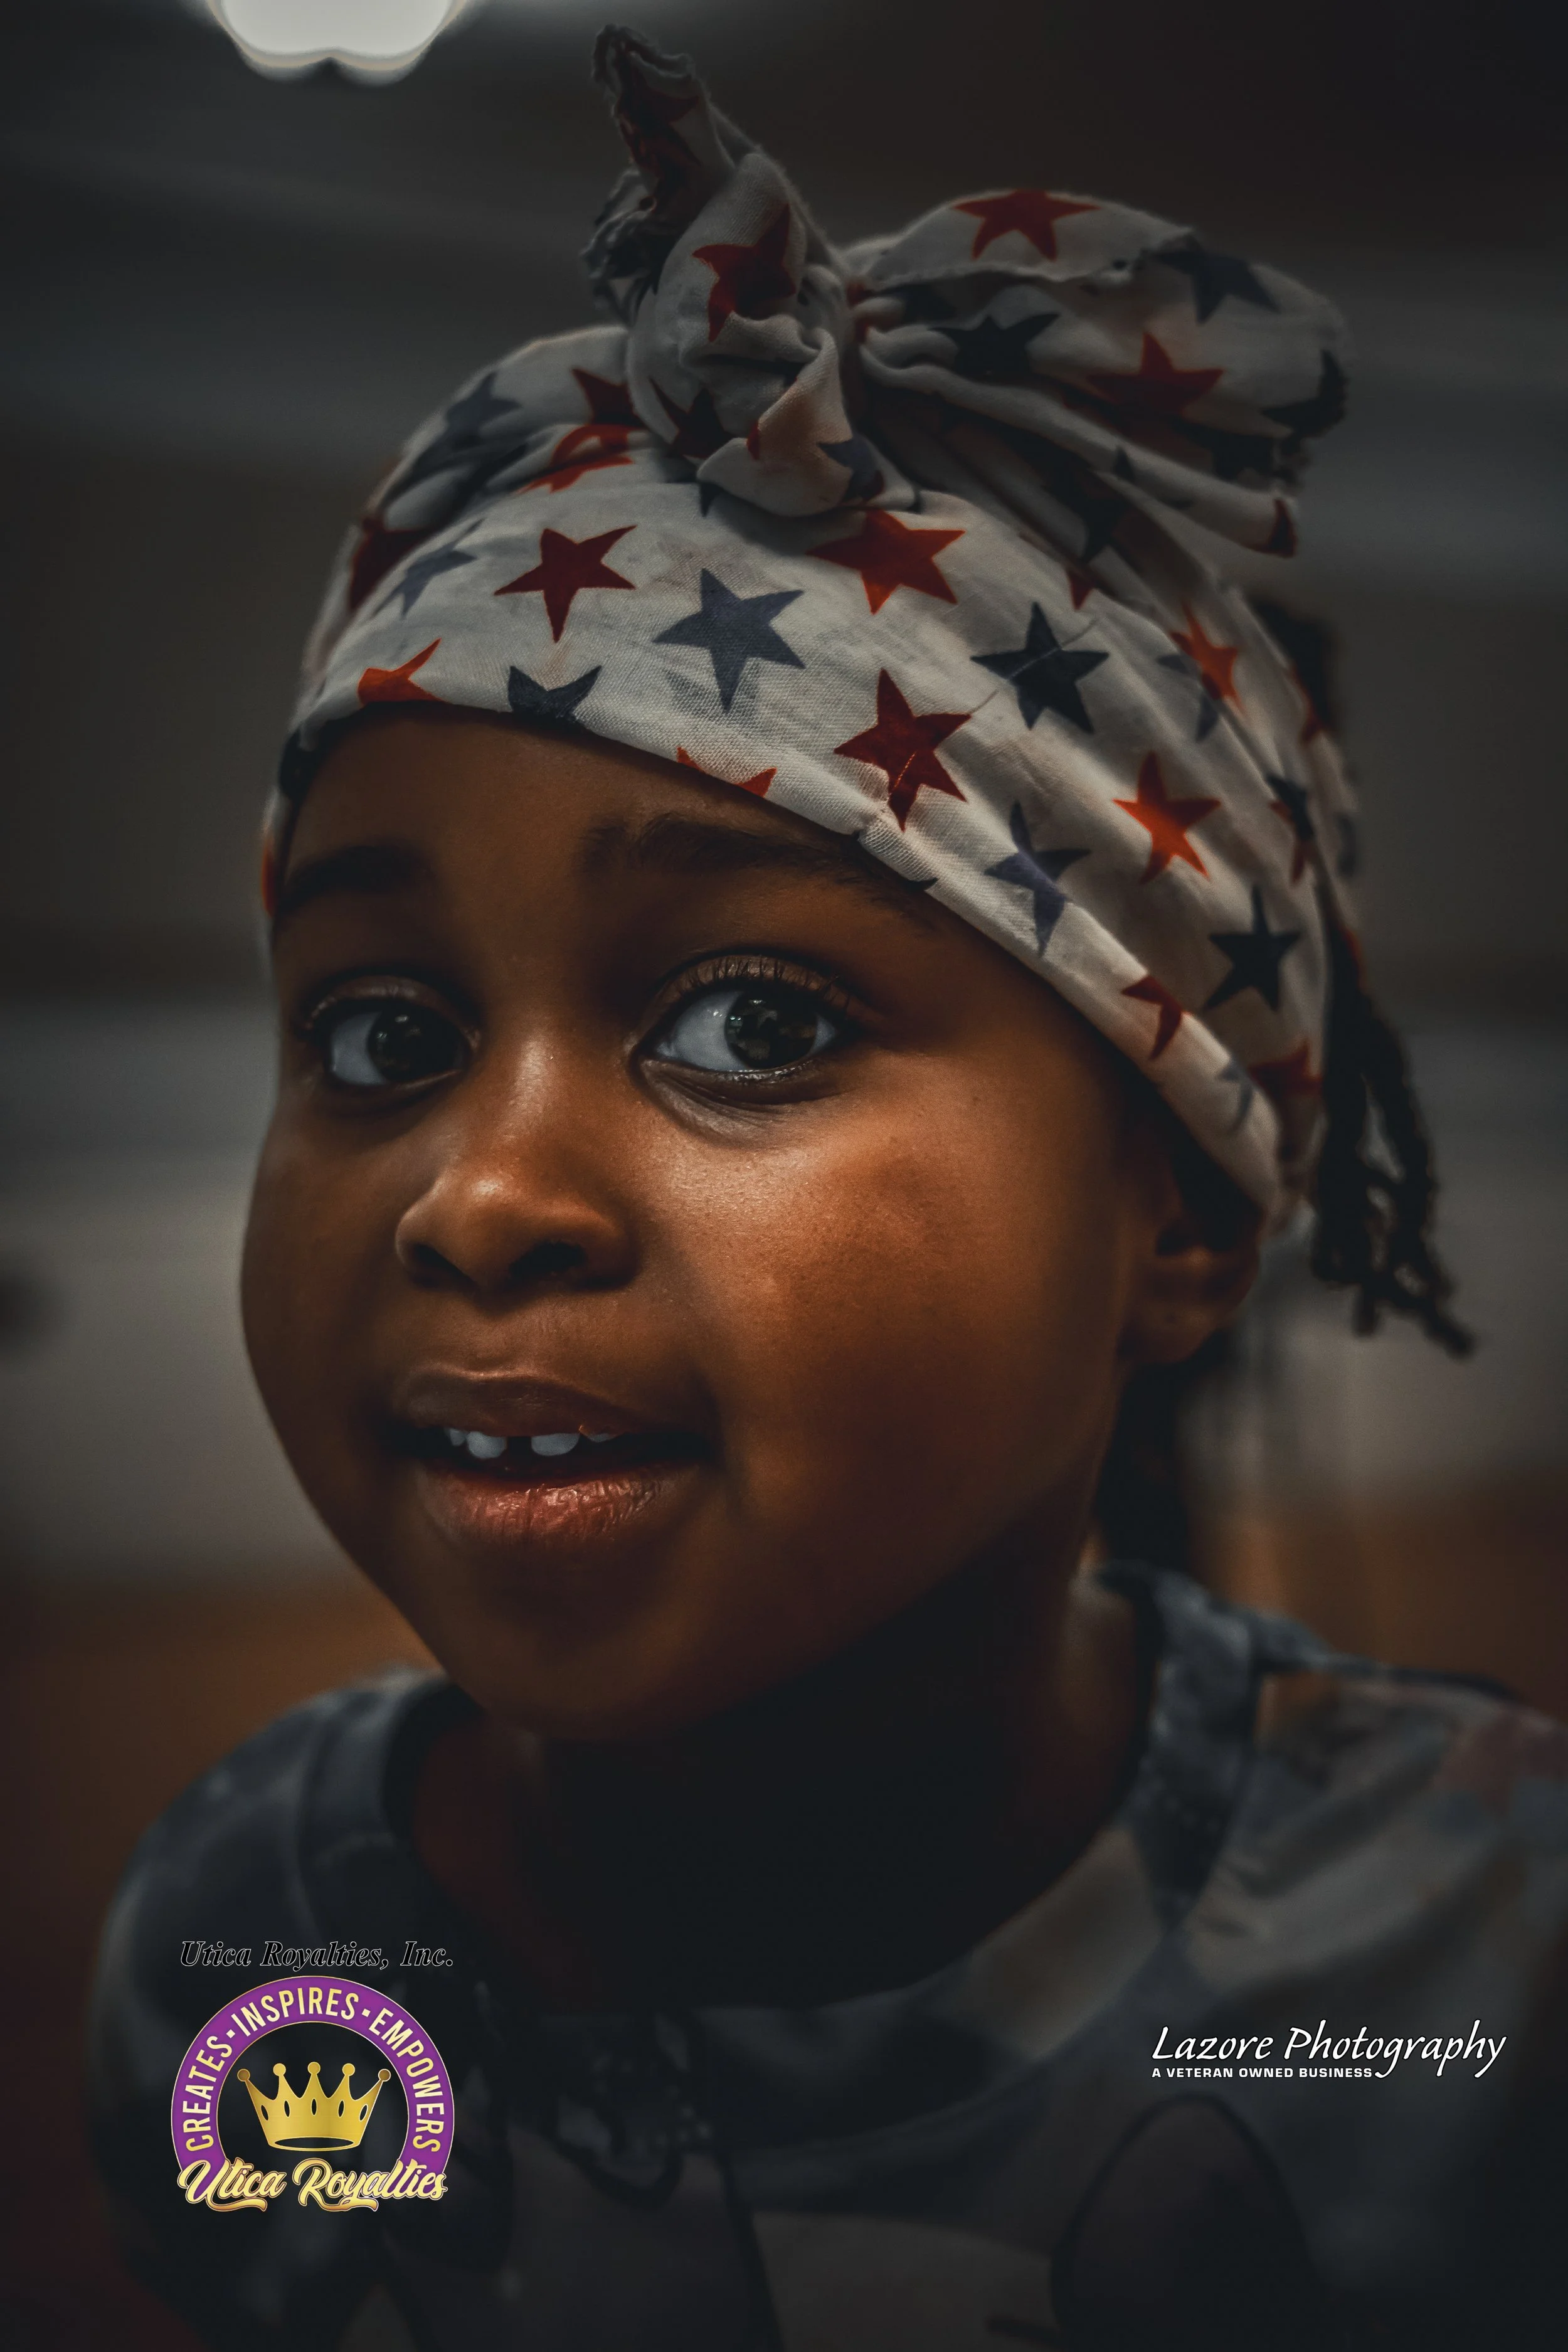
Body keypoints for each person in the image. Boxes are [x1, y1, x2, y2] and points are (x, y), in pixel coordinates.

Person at [88, 27, 1568, 2351]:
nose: (478, 1196)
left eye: (754, 1022)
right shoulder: (244, 1934)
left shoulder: (1472, 1970)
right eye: (382, 1033)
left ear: (1174, 1213)